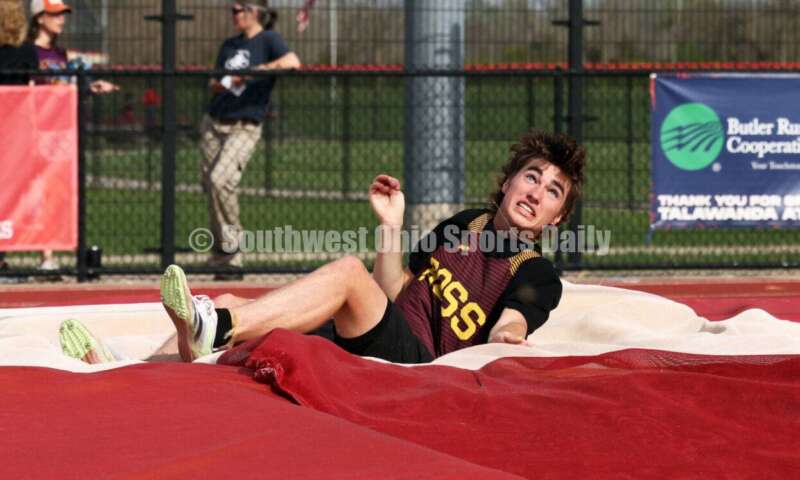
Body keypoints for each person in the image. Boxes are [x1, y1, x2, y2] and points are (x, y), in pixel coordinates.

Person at [152, 130, 585, 364]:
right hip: (383, 327)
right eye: (531, 177)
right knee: (231, 301)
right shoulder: (464, 223)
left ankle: (217, 327)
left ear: (558, 216)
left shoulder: (536, 274)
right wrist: (391, 225)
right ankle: (125, 367)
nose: (535, 193)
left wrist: (510, 338)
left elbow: (507, 328)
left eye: (553, 191)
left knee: (346, 274)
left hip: (419, 364)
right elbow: (394, 289)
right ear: (508, 182)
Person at [201, 1, 301, 279]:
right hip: (215, 120)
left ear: (254, 12)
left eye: (238, 10)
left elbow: (293, 62)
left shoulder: (269, 39)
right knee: (212, 187)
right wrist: (226, 81)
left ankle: (232, 255)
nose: (234, 15)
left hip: (244, 125)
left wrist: (252, 72)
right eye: (232, 10)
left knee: (222, 181)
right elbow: (214, 81)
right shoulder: (229, 44)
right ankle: (222, 256)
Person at [26, 0, 117, 272]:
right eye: (55, 15)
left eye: (63, 15)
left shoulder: (61, 54)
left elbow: (66, 90)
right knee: (29, 195)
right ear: (40, 18)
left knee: (52, 195)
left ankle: (47, 257)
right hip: (35, 132)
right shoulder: (29, 52)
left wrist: (91, 88)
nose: (62, 20)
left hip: (59, 133)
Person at [0, 0, 38, 283]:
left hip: (11, 130)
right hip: (15, 132)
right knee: (9, 191)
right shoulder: (26, 51)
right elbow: (33, 87)